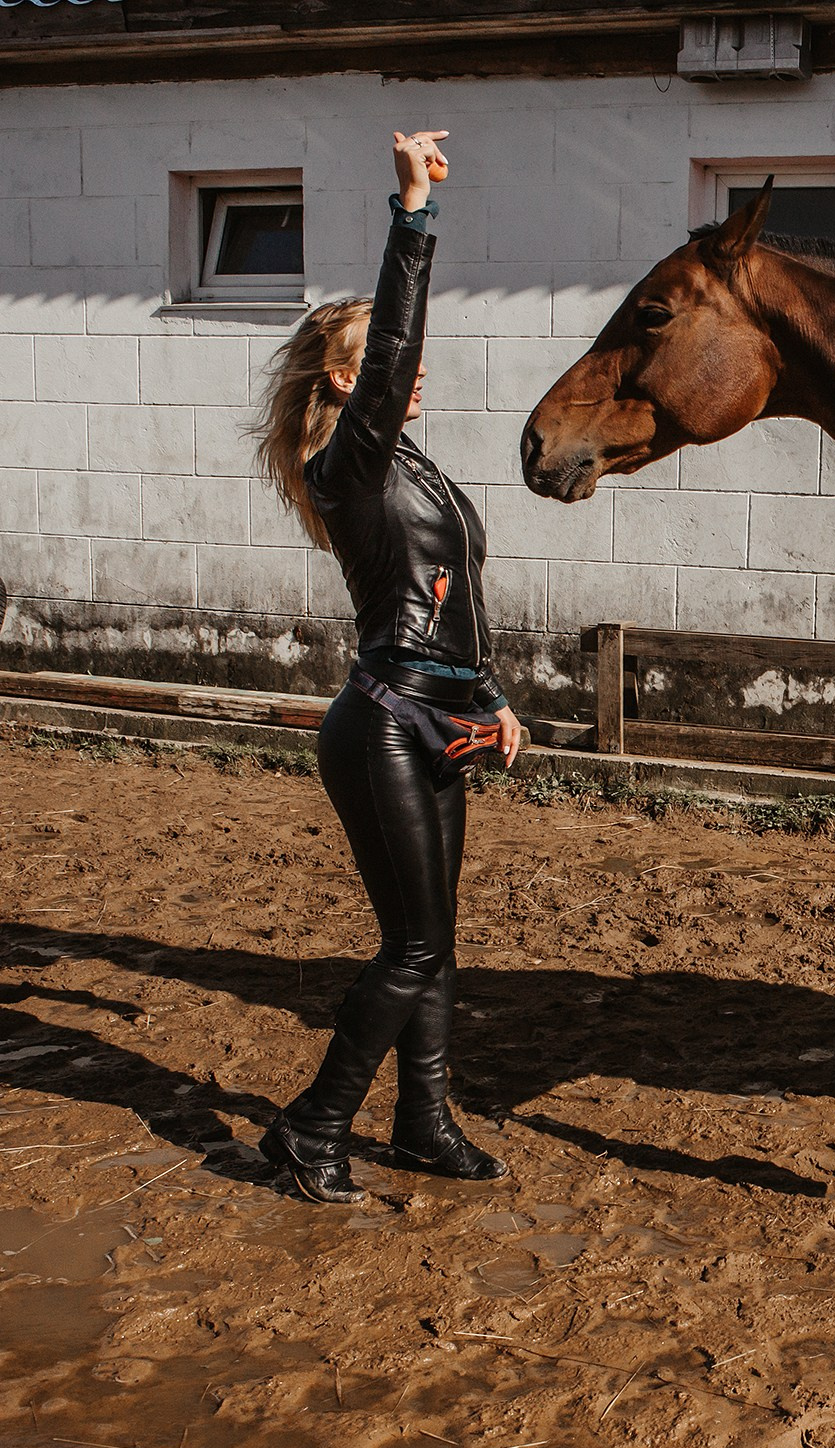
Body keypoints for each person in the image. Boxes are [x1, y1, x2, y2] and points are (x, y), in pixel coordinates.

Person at [250, 129, 521, 1202]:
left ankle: (423, 1123)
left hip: (441, 717)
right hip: (383, 724)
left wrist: (494, 698)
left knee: (437, 944)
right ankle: (312, 1126)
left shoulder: (414, 469)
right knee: (411, 943)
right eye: (387, 366)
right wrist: (413, 216)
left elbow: (457, 599)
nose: (412, 377)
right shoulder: (348, 463)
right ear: (348, 379)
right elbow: (398, 335)